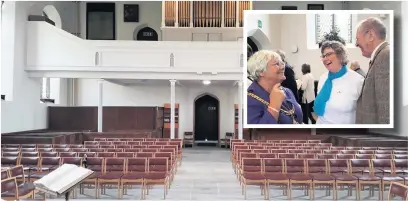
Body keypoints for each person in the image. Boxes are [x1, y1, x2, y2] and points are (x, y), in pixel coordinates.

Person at [314, 41, 364, 124]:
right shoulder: (323, 78)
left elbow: (365, 111)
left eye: (329, 54)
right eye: (323, 56)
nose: (325, 58)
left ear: (340, 55)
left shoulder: (358, 80)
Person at [247, 50, 303, 124]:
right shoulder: (249, 100)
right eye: (277, 64)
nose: (283, 67)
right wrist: (274, 106)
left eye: (282, 63)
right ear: (261, 71)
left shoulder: (287, 92)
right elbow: (259, 133)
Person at [355, 17, 390, 124]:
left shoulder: (385, 55)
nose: (356, 44)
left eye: (357, 39)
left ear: (370, 36)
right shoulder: (380, 55)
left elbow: (385, 106)